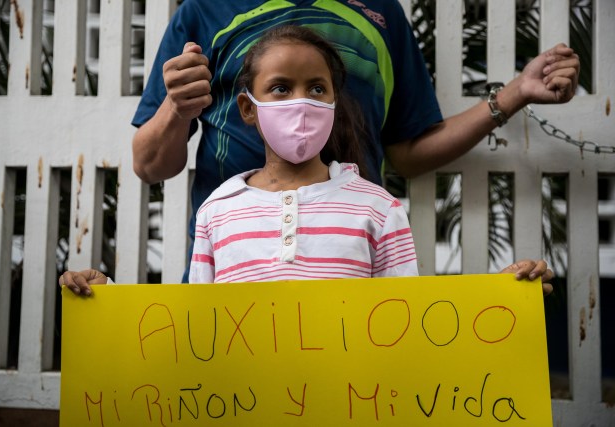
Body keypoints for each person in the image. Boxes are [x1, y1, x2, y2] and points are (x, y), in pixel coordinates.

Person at [60, 25, 554, 293]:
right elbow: (196, 332)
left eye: (317, 88)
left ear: (335, 102)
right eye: (280, 88)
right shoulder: (216, 211)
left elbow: (406, 320)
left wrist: (504, 299)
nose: (301, 102)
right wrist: (105, 303)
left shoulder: (378, 209)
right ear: (247, 108)